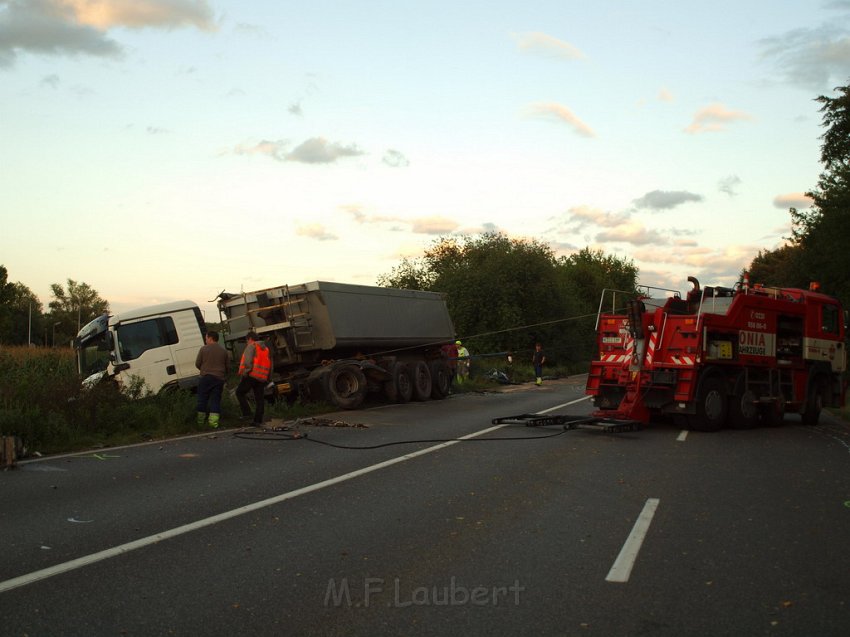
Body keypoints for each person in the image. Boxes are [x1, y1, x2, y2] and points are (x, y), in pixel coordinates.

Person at [236, 331, 273, 427]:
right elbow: (270, 364)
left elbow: (248, 361)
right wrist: (268, 378)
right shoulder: (266, 349)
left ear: (250, 339)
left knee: (239, 393)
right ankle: (257, 420)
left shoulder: (251, 346)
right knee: (259, 399)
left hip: (251, 375)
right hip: (262, 378)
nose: (246, 342)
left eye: (246, 340)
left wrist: (246, 372)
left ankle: (247, 413)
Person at [195, 330, 228, 428]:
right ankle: (213, 424)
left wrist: (205, 369)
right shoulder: (223, 351)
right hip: (219, 379)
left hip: (205, 378)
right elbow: (227, 367)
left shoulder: (203, 349)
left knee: (202, 400)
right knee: (215, 400)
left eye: (206, 338)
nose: (205, 340)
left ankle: (200, 423)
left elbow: (197, 363)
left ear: (210, 338)